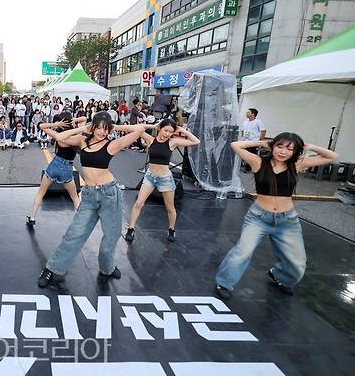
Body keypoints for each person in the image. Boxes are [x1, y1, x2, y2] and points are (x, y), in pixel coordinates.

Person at [215, 133, 338, 300]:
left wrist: (310, 147)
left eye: (289, 149)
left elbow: (332, 157)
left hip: (287, 221)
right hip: (258, 218)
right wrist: (262, 143)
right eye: (279, 146)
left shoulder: (297, 164)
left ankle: (279, 276)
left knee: (298, 263)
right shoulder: (258, 162)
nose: (283, 152)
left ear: (295, 152)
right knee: (242, 252)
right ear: (272, 146)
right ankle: (224, 282)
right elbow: (235, 145)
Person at [37, 112, 146, 288]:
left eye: (105, 129)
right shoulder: (82, 140)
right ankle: (52, 268)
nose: (101, 132)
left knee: (111, 236)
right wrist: (85, 127)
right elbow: (59, 136)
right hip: (88, 195)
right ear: (93, 126)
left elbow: (139, 129)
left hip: (109, 194)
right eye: (98, 127)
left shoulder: (112, 144)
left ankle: (107, 268)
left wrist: (113, 126)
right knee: (74, 233)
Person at [125, 119, 200, 243]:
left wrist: (181, 130)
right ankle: (131, 229)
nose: (167, 134)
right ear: (160, 128)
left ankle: (171, 229)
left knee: (170, 207)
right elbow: (136, 127)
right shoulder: (150, 139)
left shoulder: (172, 142)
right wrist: (152, 125)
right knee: (139, 203)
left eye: (170, 132)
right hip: (150, 177)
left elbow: (196, 141)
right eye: (165, 130)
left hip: (165, 178)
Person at [26, 113, 83, 228]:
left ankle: (32, 217)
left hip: (55, 164)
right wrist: (72, 120)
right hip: (67, 167)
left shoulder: (59, 135)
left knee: (41, 192)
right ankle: (82, 221)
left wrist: (57, 124)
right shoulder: (77, 136)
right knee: (75, 197)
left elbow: (41, 126)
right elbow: (84, 119)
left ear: (62, 122)